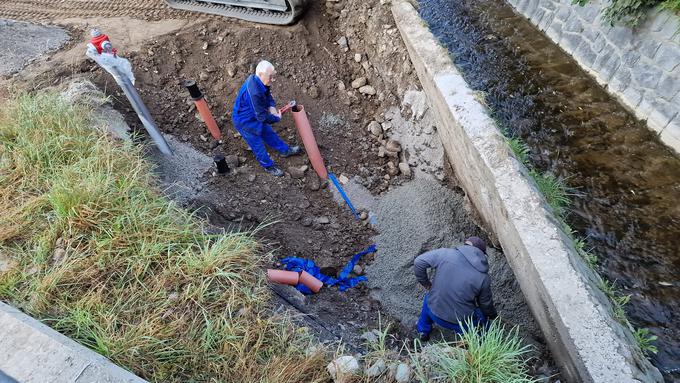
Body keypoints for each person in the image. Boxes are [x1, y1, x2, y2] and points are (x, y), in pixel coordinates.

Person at [413, 236, 497, 341]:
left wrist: (426, 284)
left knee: (429, 298)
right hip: (460, 324)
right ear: (482, 254)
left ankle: (422, 331)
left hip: (433, 312)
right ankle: (481, 343)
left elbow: (418, 262)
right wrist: (492, 315)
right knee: (483, 320)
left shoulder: (445, 254)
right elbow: (485, 305)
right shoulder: (483, 278)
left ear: (465, 245)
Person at [232, 60, 301, 176]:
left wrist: (272, 107)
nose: (273, 79)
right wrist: (276, 118)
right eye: (270, 76)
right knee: (258, 145)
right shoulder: (254, 92)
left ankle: (285, 150)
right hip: (244, 122)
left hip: (255, 116)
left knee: (269, 133)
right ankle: (268, 166)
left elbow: (267, 96)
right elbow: (262, 117)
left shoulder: (260, 82)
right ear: (260, 74)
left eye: (273, 76)